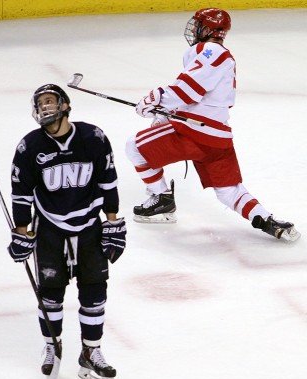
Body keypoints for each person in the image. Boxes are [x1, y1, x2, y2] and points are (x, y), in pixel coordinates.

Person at [125, 7, 299, 241]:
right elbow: (200, 95)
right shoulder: (212, 53)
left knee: (134, 147)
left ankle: (162, 201)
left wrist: (155, 97)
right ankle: (267, 220)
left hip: (193, 132)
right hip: (217, 137)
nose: (194, 29)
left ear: (207, 29)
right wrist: (165, 110)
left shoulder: (211, 51)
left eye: (198, 24)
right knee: (228, 191)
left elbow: (189, 90)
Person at [7, 84, 126, 379]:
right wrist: (22, 232)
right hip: (49, 231)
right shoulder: (29, 147)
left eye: (50, 101)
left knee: (95, 293)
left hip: (89, 228)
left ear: (65, 105)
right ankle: (52, 345)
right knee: (50, 296)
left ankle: (91, 353)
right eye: (40, 103)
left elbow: (108, 181)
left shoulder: (93, 138)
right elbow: (21, 195)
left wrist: (111, 222)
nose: (44, 107)